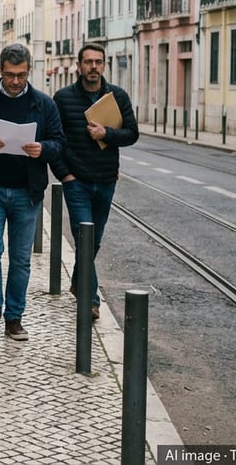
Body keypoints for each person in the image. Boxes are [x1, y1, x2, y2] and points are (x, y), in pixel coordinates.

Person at [0, 43, 64, 341]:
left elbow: (59, 142)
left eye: (20, 75)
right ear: (0, 71)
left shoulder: (44, 104)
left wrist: (43, 149)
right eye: (9, 75)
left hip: (27, 193)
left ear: (29, 70)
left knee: (20, 259)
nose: (15, 81)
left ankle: (14, 317)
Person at [50, 43, 139, 320]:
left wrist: (107, 134)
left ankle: (79, 281)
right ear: (79, 66)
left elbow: (132, 134)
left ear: (104, 65)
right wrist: (65, 174)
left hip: (106, 179)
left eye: (98, 62)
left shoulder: (118, 97)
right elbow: (55, 138)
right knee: (83, 235)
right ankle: (91, 298)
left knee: (95, 239)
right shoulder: (63, 98)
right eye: (88, 62)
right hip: (76, 181)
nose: (93, 67)